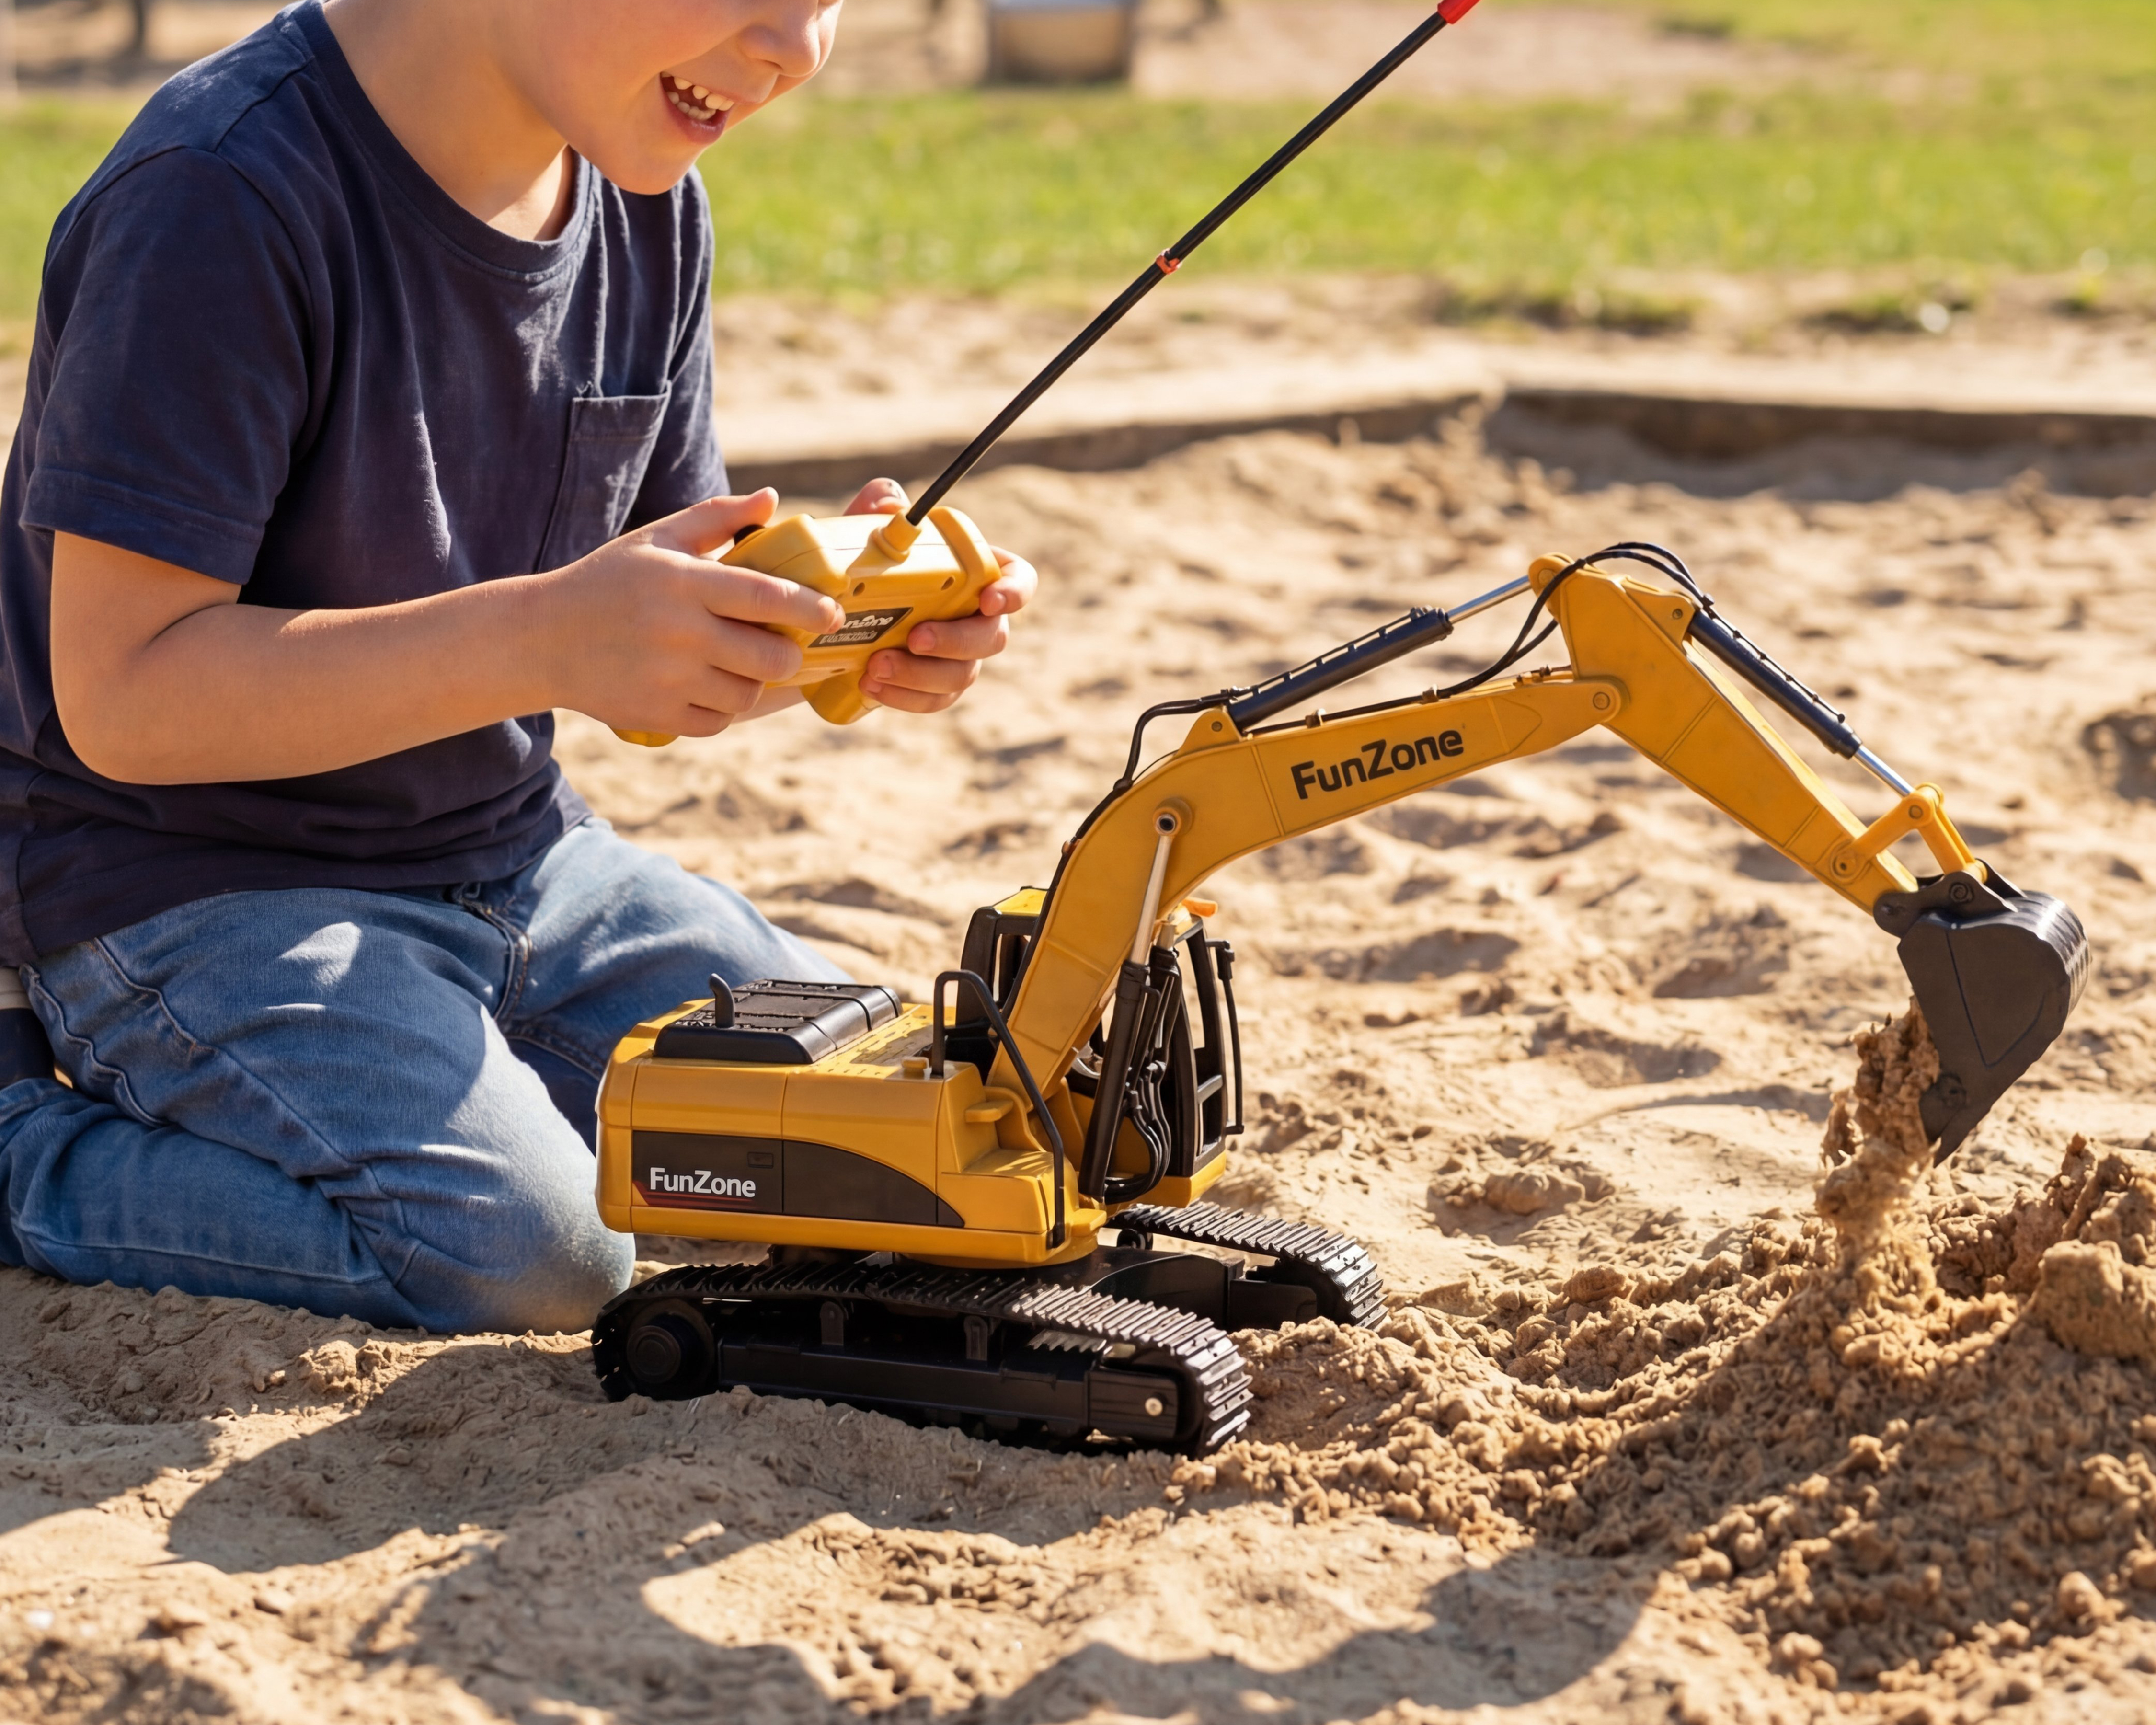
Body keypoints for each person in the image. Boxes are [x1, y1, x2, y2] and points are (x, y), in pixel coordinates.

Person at [0, 0, 1036, 1334]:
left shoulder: (643, 196)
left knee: (890, 1132)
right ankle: (20, 1140)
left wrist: (846, 629)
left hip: (523, 859)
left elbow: (641, 631)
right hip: (187, 883)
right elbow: (125, 697)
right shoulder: (218, 193)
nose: (797, 46)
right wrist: (546, 637)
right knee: (529, 1259)